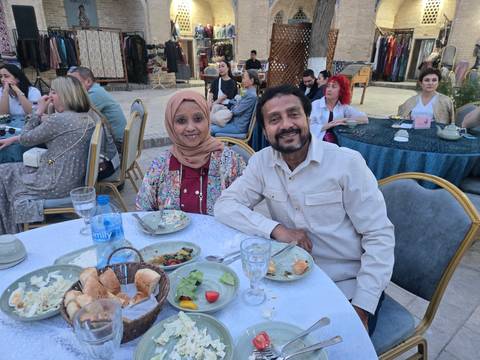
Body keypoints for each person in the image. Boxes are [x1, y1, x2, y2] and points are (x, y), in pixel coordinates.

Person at [214, 85, 394, 333]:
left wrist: (362, 307)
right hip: (289, 281)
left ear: (308, 119)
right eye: (275, 119)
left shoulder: (346, 163)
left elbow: (379, 235)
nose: (287, 124)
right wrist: (277, 229)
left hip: (346, 285)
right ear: (265, 132)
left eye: (294, 114)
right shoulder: (261, 163)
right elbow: (225, 206)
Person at [0, 76, 96, 234]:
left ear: (65, 95)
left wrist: (38, 111)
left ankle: (10, 231)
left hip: (54, 182)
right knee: (7, 170)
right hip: (68, 178)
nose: (49, 96)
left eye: (53, 92)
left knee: (4, 173)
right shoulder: (84, 117)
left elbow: (25, 139)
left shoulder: (59, 120)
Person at [136, 90, 246, 216]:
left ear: (207, 119)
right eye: (181, 121)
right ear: (170, 124)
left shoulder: (230, 162)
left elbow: (244, 210)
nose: (190, 128)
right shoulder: (160, 165)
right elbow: (142, 211)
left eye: (198, 119)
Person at [68, 66, 127, 149]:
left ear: (88, 81)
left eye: (75, 82)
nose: (71, 86)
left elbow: (76, 117)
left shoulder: (95, 93)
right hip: (116, 139)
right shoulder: (95, 90)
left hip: (117, 144)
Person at [310, 75, 368, 142]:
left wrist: (344, 120)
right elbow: (308, 127)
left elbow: (364, 118)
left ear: (341, 91)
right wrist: (328, 125)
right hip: (316, 141)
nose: (329, 89)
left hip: (338, 141)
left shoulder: (343, 106)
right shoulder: (316, 104)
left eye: (333, 87)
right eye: (328, 86)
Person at [210, 69, 259, 136]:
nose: (242, 80)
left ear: (252, 80)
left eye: (244, 78)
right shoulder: (249, 93)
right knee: (211, 124)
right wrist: (235, 104)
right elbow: (236, 105)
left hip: (237, 127)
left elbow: (236, 111)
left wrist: (233, 105)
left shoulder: (251, 95)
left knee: (210, 129)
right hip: (234, 123)